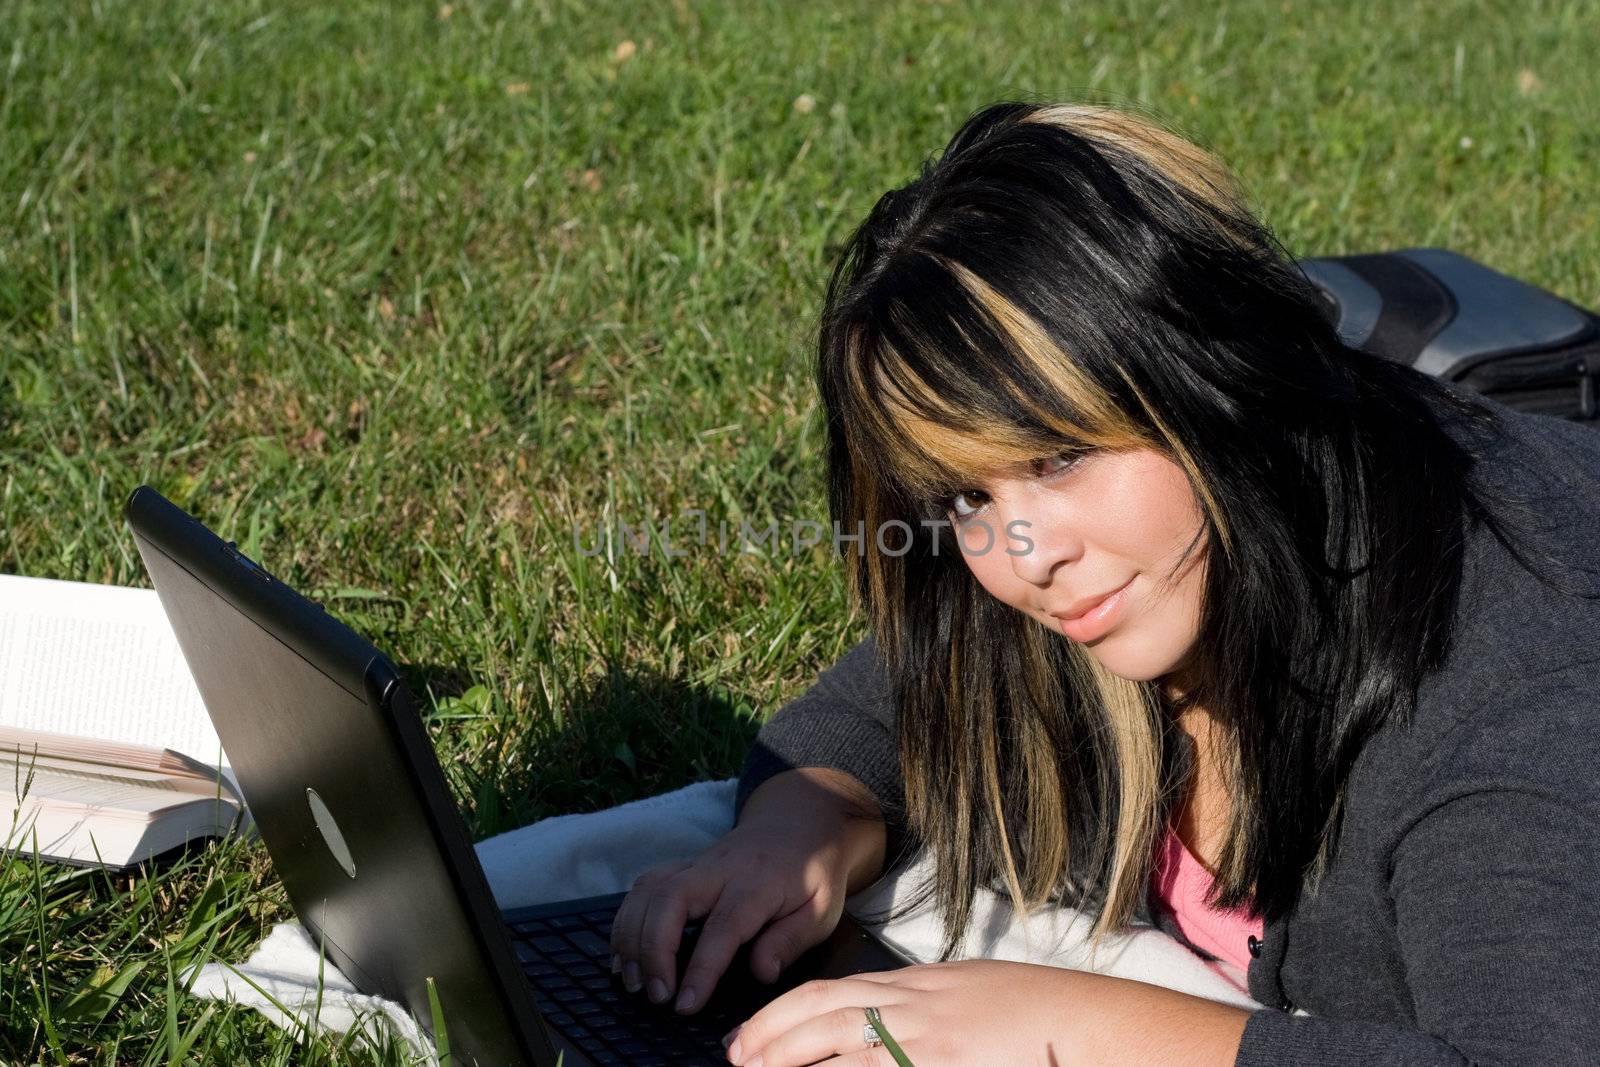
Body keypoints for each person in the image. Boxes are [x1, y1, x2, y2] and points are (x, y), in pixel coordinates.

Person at [606, 100, 1600, 1066]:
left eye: (1055, 457)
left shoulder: (1509, 689)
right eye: (961, 496)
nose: (1021, 553)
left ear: (1208, 383)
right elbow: (888, 710)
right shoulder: (1120, 563)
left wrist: (1077, 1028)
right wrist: (794, 835)